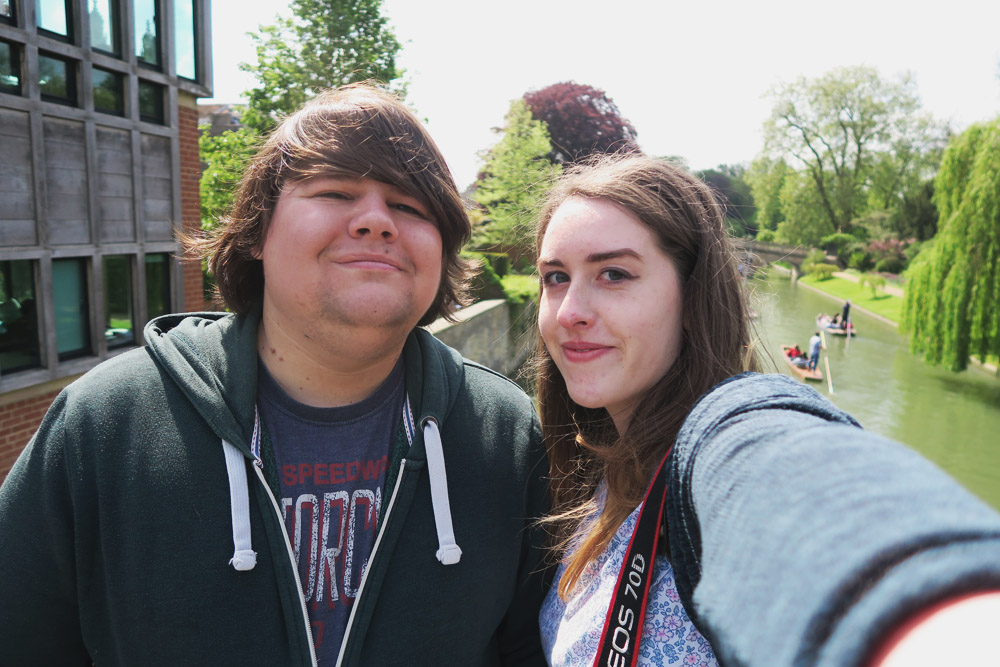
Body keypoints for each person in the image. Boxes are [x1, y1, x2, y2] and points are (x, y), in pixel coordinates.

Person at [0, 84, 550, 666]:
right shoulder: (105, 425)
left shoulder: (506, 434)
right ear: (258, 233)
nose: (375, 221)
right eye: (335, 191)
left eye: (411, 206)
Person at [532, 154, 1000, 667]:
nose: (570, 311)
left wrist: (939, 612)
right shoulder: (593, 463)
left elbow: (792, 480)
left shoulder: (722, 437)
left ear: (693, 298)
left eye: (614, 273)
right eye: (555, 277)